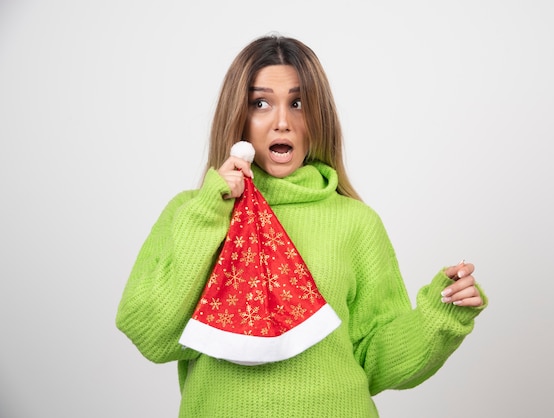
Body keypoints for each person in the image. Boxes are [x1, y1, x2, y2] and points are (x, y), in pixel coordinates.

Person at [116, 34, 487, 417]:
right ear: (237, 117)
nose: (282, 122)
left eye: (298, 104)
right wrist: (210, 212)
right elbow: (153, 336)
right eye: (261, 104)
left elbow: (375, 361)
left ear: (318, 118)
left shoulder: (356, 222)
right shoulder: (191, 213)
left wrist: (441, 316)